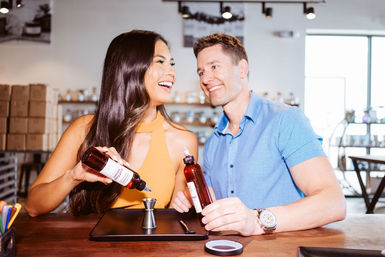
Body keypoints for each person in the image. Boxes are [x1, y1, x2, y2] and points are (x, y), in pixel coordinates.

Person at [172, 33, 346, 236]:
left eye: (214, 67)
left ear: (242, 69)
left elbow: (333, 202)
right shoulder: (213, 143)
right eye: (201, 72)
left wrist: (257, 221)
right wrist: (191, 198)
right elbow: (212, 201)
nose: (206, 78)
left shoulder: (286, 120)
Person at [25, 30, 197, 217]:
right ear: (130, 68)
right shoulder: (84, 129)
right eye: (160, 61)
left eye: (172, 64)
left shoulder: (184, 142)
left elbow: (173, 220)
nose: (172, 72)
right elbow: (33, 206)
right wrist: (74, 176)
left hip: (149, 245)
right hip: (85, 245)